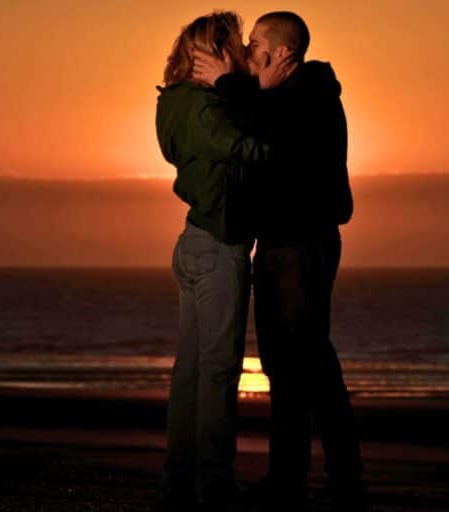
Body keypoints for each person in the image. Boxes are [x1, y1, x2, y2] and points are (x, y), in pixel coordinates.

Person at [192, 11, 368, 512]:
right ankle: (291, 479)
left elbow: (268, 122)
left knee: (308, 363)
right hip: (279, 245)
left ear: (282, 54)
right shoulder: (286, 96)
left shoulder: (310, 94)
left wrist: (225, 80)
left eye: (254, 46)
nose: (248, 54)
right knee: (285, 367)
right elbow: (261, 119)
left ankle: (342, 480)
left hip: (301, 246)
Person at [152, 11, 294, 512]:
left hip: (193, 244)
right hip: (217, 249)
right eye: (236, 44)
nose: (243, 52)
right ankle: (212, 485)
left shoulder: (173, 102)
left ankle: (179, 481)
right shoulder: (206, 108)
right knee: (216, 375)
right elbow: (255, 149)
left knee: (190, 375)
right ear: (216, 50)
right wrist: (262, 95)